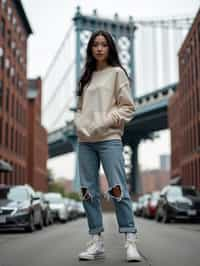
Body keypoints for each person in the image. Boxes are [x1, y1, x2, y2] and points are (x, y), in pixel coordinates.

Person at [74, 30, 141, 262]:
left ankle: (130, 241)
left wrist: (101, 123)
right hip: (85, 142)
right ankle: (96, 241)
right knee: (87, 192)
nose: (99, 48)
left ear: (110, 48)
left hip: (109, 139)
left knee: (117, 189)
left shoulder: (117, 73)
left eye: (104, 44)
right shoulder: (86, 77)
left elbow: (128, 108)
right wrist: (79, 124)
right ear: (90, 49)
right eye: (95, 45)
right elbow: (80, 109)